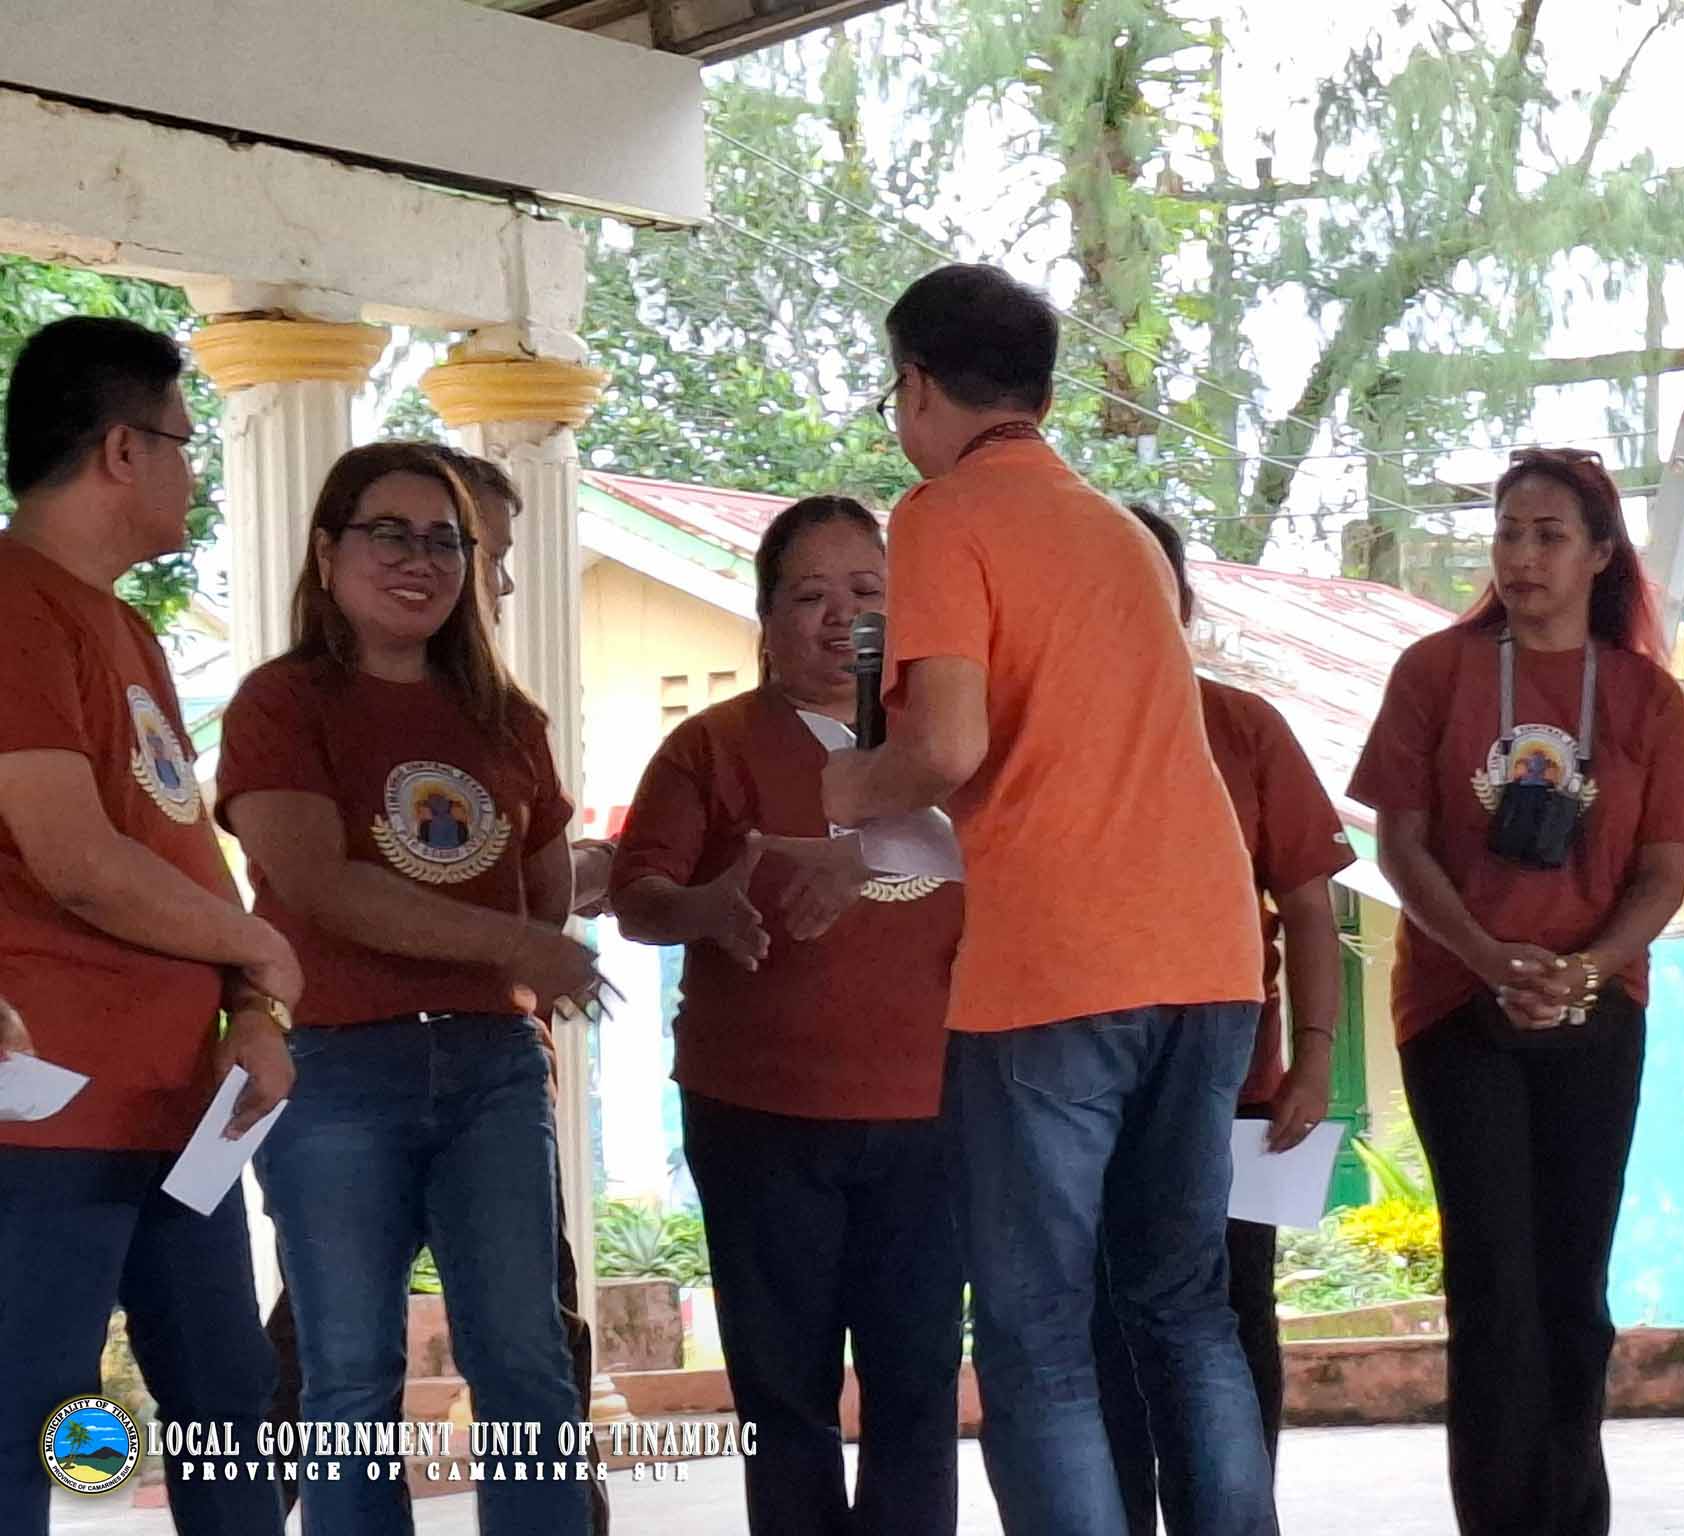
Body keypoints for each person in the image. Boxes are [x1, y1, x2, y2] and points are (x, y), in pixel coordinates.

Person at [820, 264, 1274, 1536]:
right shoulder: (1117, 532)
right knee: (1185, 1311)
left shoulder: (941, 515)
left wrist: (853, 781)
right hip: (1206, 956)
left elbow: (946, 747)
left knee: (1036, 1333)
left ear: (914, 385)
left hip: (1057, 969)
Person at [215, 441, 600, 1536]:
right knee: (347, 1376)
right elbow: (317, 883)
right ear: (327, 552)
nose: (418, 560)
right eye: (388, 533)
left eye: (445, 541)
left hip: (490, 1069)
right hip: (335, 1063)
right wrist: (511, 946)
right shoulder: (281, 702)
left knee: (526, 1365)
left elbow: (542, 892)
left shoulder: (507, 718)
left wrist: (538, 938)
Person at [1349, 446, 1684, 1536]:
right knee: (1494, 1286)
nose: (1521, 555)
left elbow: (1662, 872)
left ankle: (1571, 1516)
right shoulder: (1436, 672)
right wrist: (1483, 955)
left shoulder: (1646, 695)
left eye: (1549, 535)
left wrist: (1584, 970)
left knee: (1571, 1289)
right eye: (1508, 532)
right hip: (1455, 1008)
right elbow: (1400, 845)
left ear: (1599, 554)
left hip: (1597, 1008)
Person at [609, 494, 966, 1536]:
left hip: (933, 1113)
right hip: (758, 1113)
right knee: (783, 1391)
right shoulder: (711, 747)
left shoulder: (950, 748)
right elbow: (636, 897)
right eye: (810, 596)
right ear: (766, 617)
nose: (841, 617)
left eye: (867, 591)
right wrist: (707, 910)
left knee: (916, 1384)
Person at [0, 315, 299, 1536]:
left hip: (179, 1112)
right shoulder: (15, 604)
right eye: (183, 442)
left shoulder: (121, 627)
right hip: (47, 1113)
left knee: (229, 1418)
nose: (193, 474)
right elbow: (76, 862)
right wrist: (262, 948)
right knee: (29, 1428)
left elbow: (179, 854)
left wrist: (254, 1006)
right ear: (122, 451)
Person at [1091, 506, 1354, 1530]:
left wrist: (1314, 1058)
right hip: (1082, 1088)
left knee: (1232, 1320)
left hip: (1235, 1088)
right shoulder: (1041, 731)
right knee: (1102, 1326)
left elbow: (1309, 902)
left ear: (1184, 603)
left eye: (1149, 588)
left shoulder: (1243, 728)